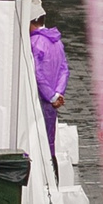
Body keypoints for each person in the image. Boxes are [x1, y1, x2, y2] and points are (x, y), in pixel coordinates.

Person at [31, 21, 71, 152]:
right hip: (53, 102)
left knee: (38, 141)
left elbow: (37, 73)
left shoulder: (34, 42)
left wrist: (51, 96)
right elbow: (64, 69)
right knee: (49, 141)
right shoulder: (57, 41)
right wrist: (58, 94)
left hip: (40, 99)